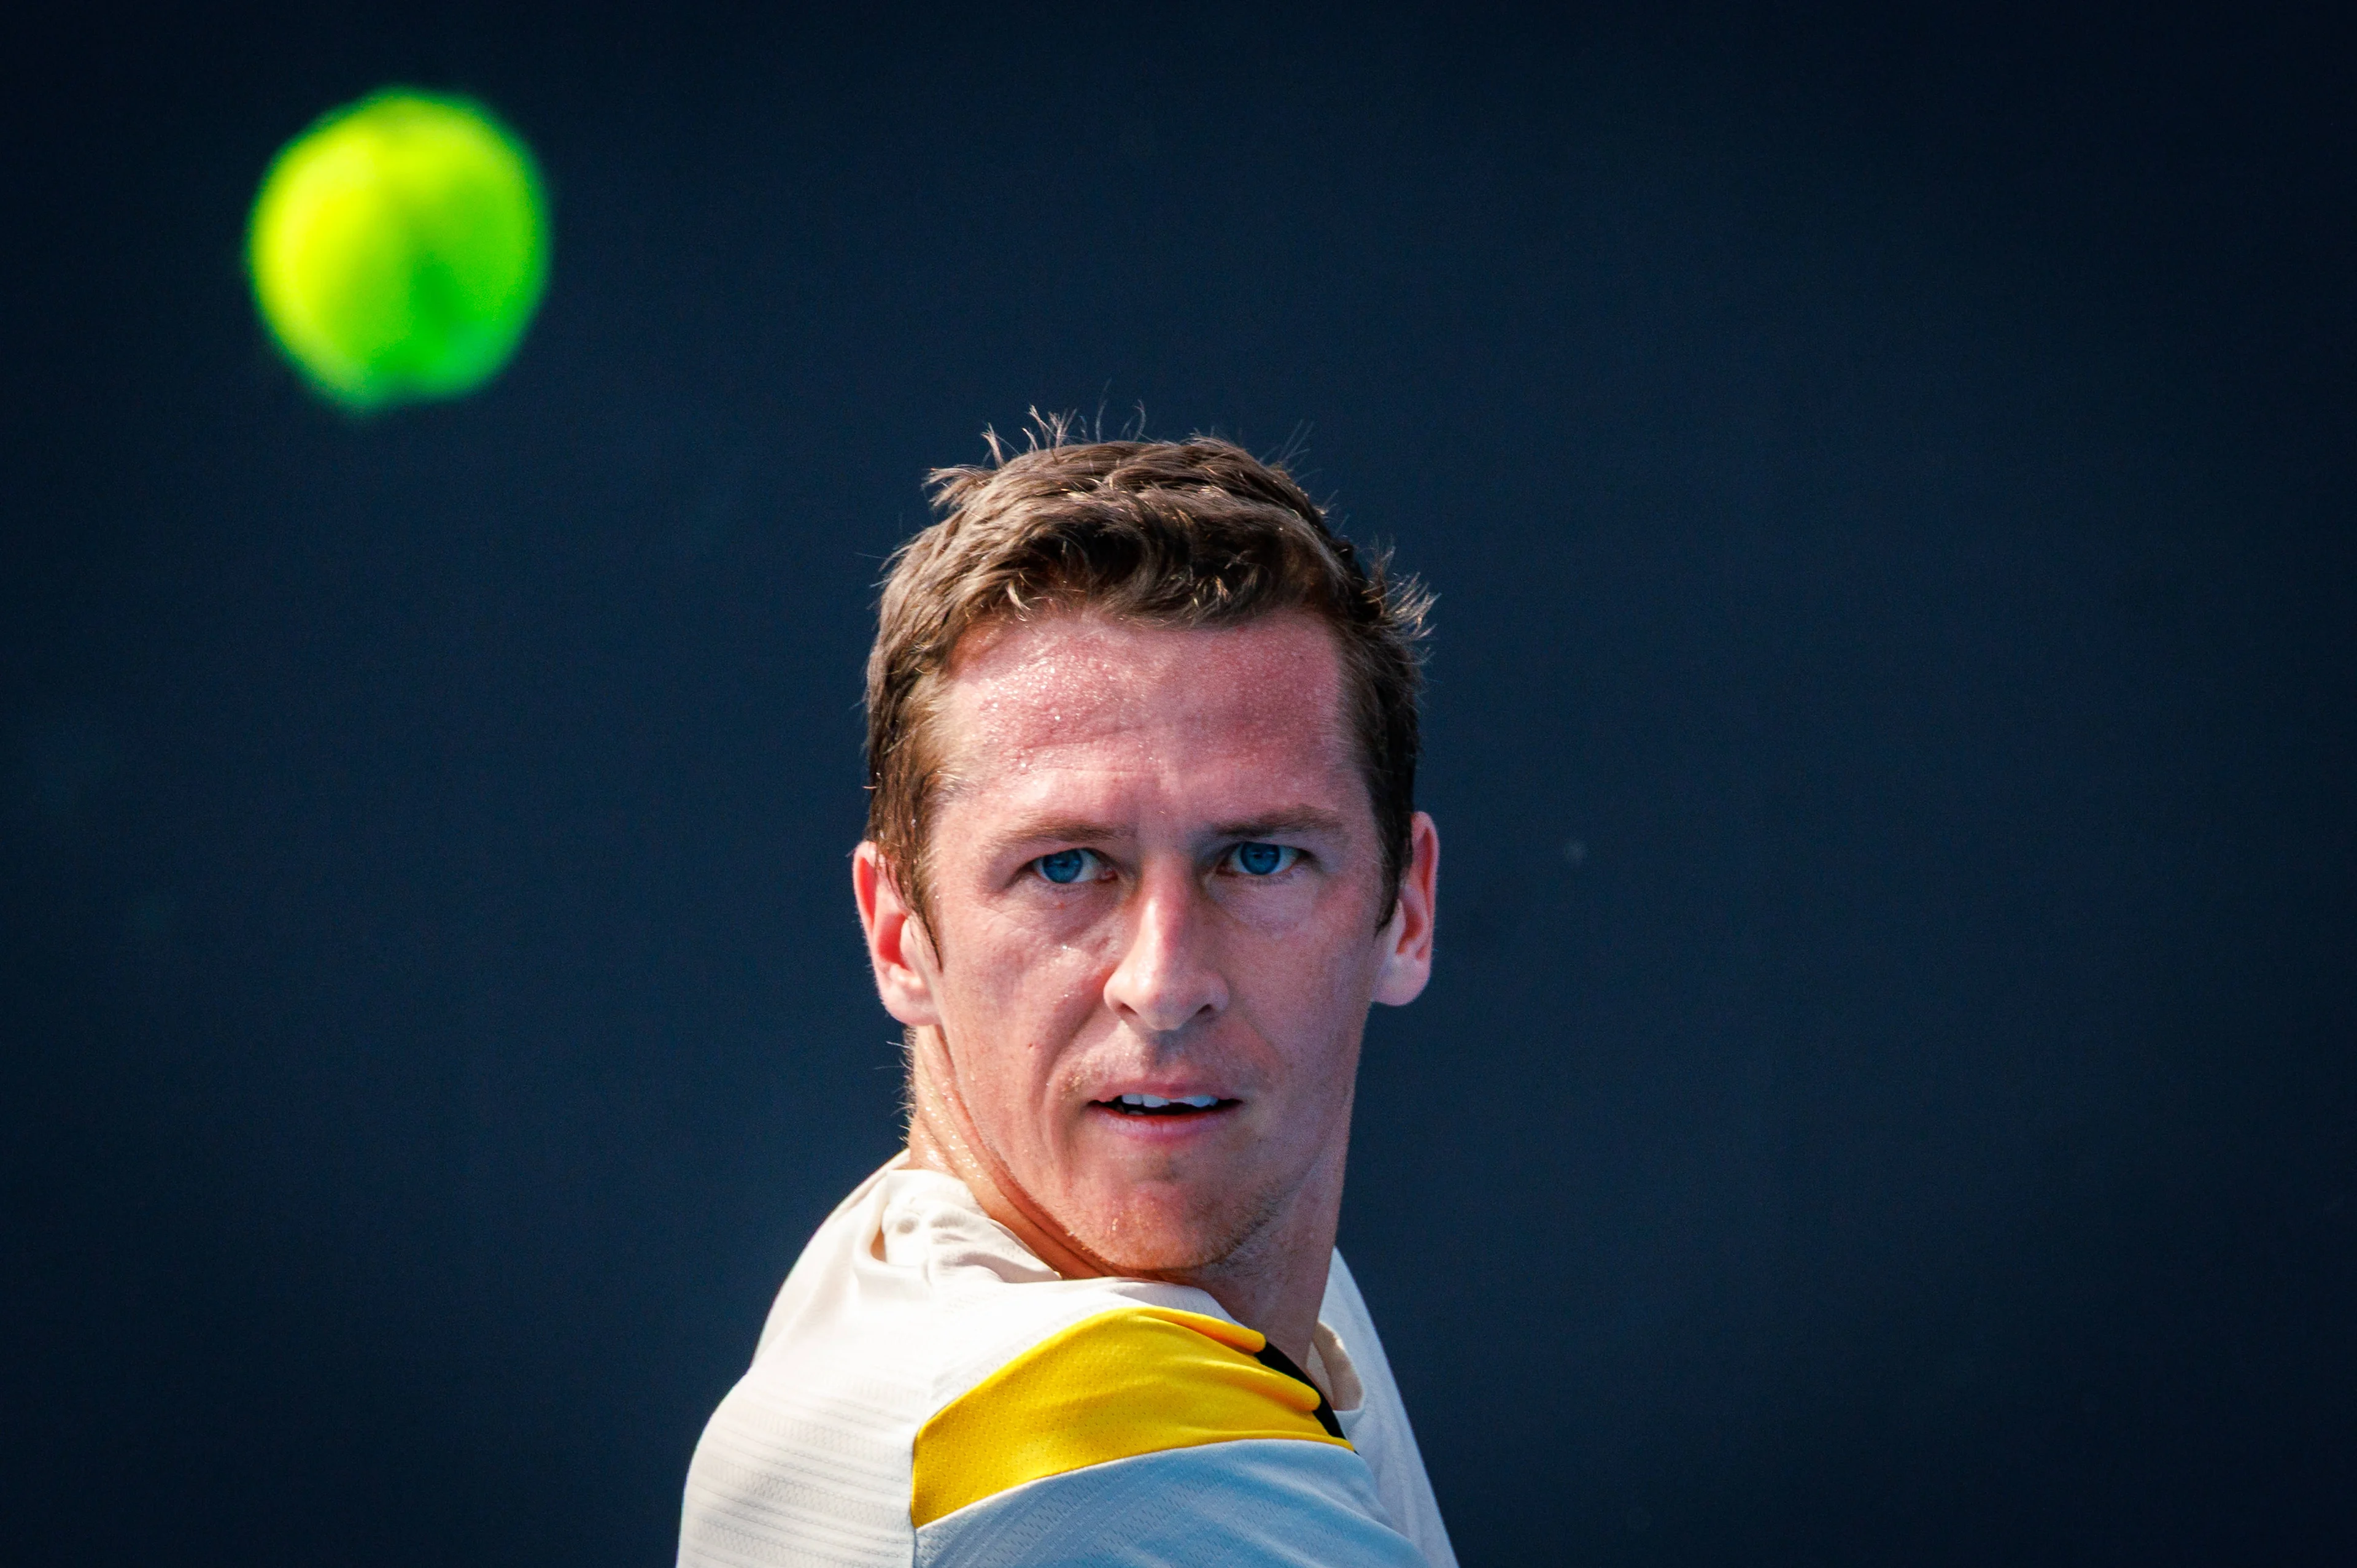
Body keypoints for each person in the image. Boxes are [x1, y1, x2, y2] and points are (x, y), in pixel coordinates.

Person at [677, 431, 1453, 1567]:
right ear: (901, 934)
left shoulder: (912, 1269)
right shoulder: (1080, 1426)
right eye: (1066, 866)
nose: (1166, 983)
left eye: (1262, 859)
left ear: (1408, 907)